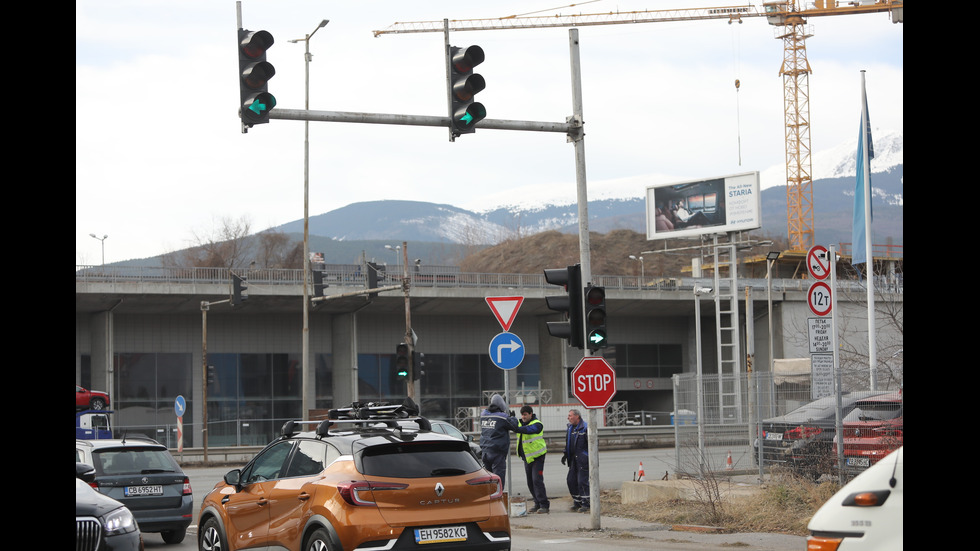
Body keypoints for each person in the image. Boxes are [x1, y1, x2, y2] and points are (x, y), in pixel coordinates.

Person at [514, 405, 550, 514]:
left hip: (537, 457)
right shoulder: (520, 423)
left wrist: (516, 427)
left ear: (531, 414)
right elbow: (515, 426)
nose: (523, 417)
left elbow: (529, 430)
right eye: (522, 415)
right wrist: (511, 420)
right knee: (530, 482)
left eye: (525, 414)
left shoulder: (537, 424)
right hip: (527, 457)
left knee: (537, 480)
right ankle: (537, 503)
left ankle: (544, 505)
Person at [479, 394, 515, 483]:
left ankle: (489, 496)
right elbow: (514, 426)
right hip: (497, 452)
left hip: (485, 452)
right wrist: (513, 417)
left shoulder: (483, 414)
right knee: (498, 480)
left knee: (488, 479)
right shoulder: (502, 417)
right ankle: (497, 496)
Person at [561, 408, 590, 513]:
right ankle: (577, 502)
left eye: (570, 415)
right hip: (573, 459)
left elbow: (592, 444)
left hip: (583, 460)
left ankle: (586, 503)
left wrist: (586, 457)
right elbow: (568, 443)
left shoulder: (585, 428)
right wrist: (565, 454)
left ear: (577, 416)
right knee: (571, 481)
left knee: (582, 481)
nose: (568, 418)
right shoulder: (569, 428)